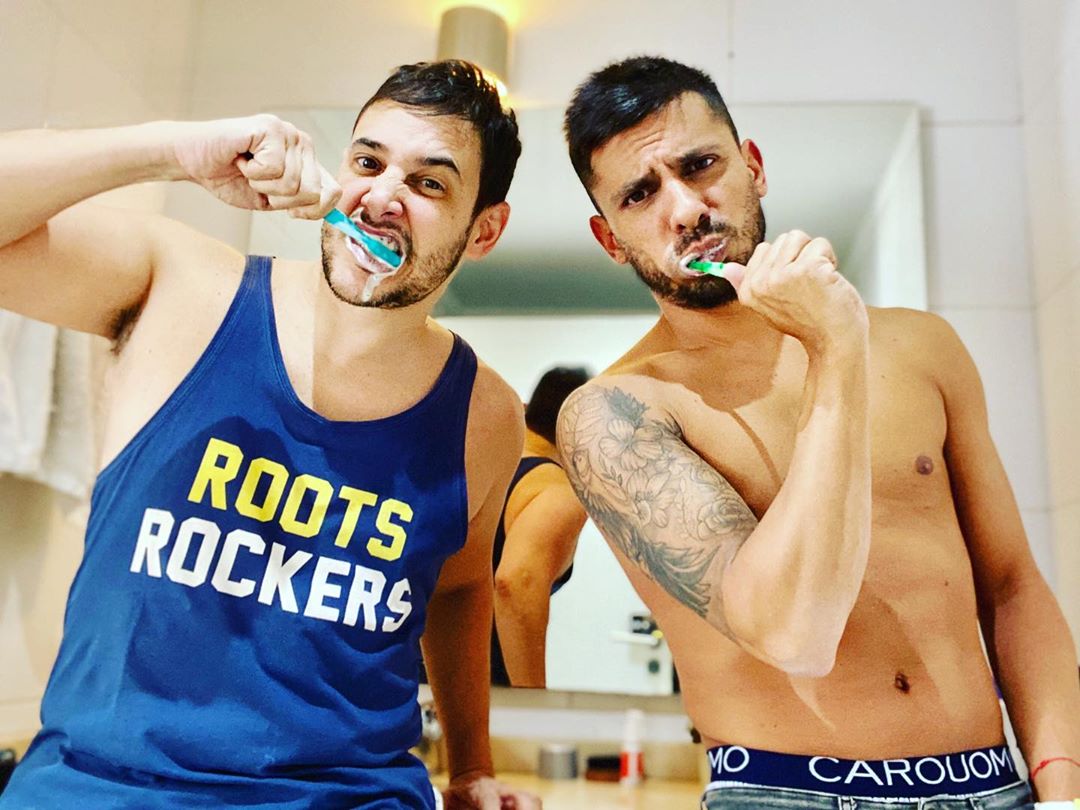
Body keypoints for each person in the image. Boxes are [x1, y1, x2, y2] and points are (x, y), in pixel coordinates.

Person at [0, 60, 539, 809]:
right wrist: (172, 150)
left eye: (428, 183)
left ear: (484, 229)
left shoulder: (485, 414)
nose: (383, 197)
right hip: (99, 788)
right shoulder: (182, 287)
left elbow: (460, 585)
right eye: (369, 163)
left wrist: (472, 767)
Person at [557, 55, 1080, 809]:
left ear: (754, 167)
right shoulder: (618, 414)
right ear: (610, 239)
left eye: (700, 166)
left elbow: (1012, 585)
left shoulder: (923, 346)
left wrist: (1061, 787)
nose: (685, 208)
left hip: (995, 785)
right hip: (786, 791)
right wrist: (836, 348)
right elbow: (793, 634)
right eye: (640, 194)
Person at [491, 366, 590, 688]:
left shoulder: (477, 467)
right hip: (485, 691)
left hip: (410, 675)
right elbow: (514, 584)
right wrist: (532, 700)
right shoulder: (554, 491)